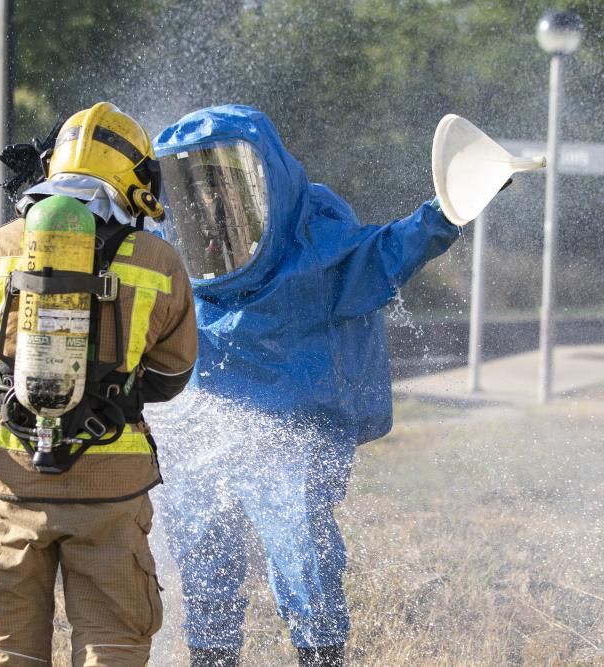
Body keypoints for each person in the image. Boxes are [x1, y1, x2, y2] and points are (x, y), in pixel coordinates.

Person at [151, 104, 463, 666]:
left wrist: (446, 212)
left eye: (228, 185)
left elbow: (389, 251)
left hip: (293, 433)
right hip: (204, 425)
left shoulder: (317, 248)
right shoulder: (173, 259)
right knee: (201, 552)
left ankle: (320, 654)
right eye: (197, 187)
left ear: (266, 180)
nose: (212, 203)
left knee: (303, 552)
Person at [0, 101, 197, 666]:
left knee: (3, 646)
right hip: (110, 482)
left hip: (12, 479)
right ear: (133, 181)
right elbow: (171, 376)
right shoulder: (158, 261)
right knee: (112, 643)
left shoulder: (0, 247)